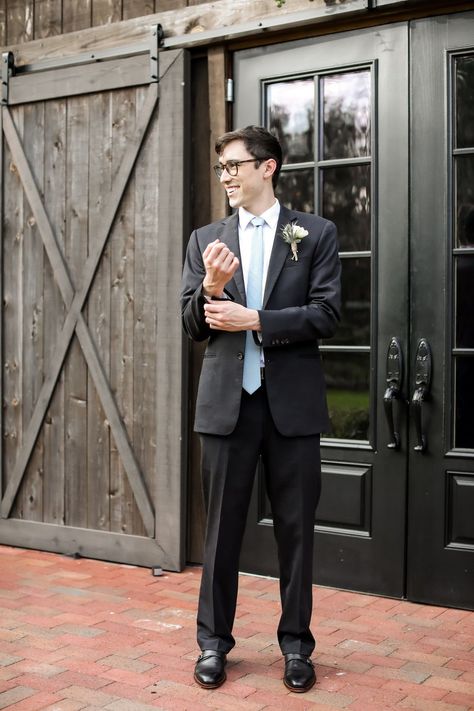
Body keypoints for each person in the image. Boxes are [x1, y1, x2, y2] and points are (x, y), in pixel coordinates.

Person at [181, 125, 341, 693]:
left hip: (292, 409)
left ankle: (297, 647)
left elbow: (326, 314)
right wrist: (214, 291)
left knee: (297, 535)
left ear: (266, 167)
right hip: (228, 407)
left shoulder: (314, 233)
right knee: (220, 534)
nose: (225, 175)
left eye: (234, 165)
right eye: (222, 167)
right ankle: (212, 644)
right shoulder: (205, 239)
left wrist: (257, 320)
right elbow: (192, 325)